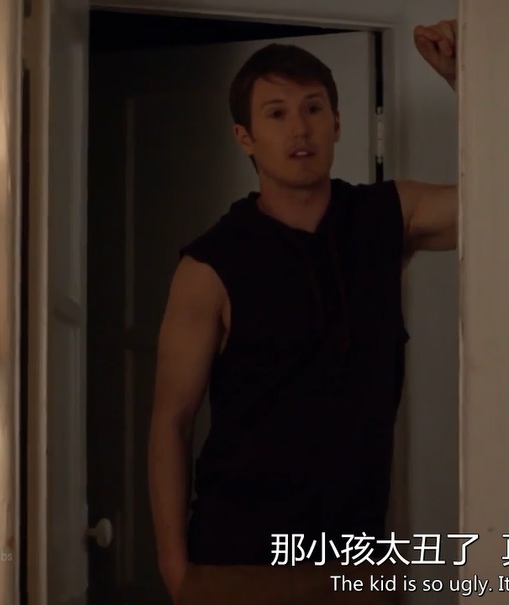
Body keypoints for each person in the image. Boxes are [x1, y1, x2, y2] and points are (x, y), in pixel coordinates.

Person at [146, 19, 459, 605]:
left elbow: (504, 201)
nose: (300, 129)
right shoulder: (210, 264)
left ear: (336, 122)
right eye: (277, 113)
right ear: (245, 137)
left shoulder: (385, 215)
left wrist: (464, 80)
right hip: (237, 561)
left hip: (358, 563)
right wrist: (175, 568)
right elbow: (171, 421)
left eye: (313, 109)